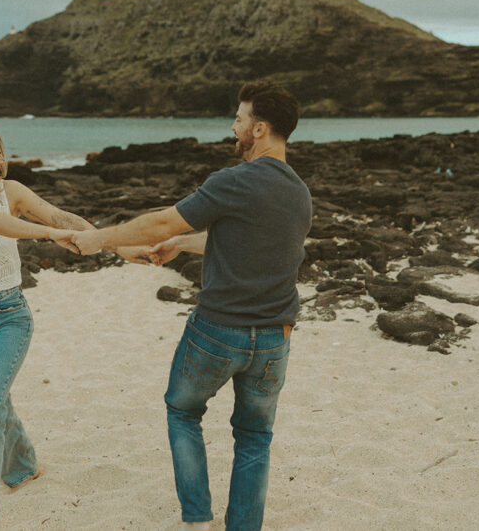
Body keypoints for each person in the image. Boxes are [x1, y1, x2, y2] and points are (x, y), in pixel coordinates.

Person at [72, 81, 312, 530]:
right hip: (276, 336)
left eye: (239, 119)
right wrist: (184, 244)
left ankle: (197, 521)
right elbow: (250, 244)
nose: (233, 127)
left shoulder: (234, 181)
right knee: (255, 436)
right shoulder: (299, 193)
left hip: (218, 330)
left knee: (182, 411)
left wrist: (98, 237)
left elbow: (161, 219)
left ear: (259, 129)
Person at [0, 125, 145, 529]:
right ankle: (24, 465)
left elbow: (60, 216)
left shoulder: (11, 191)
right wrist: (48, 235)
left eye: (1, 152)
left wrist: (117, 244)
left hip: (8, 315)